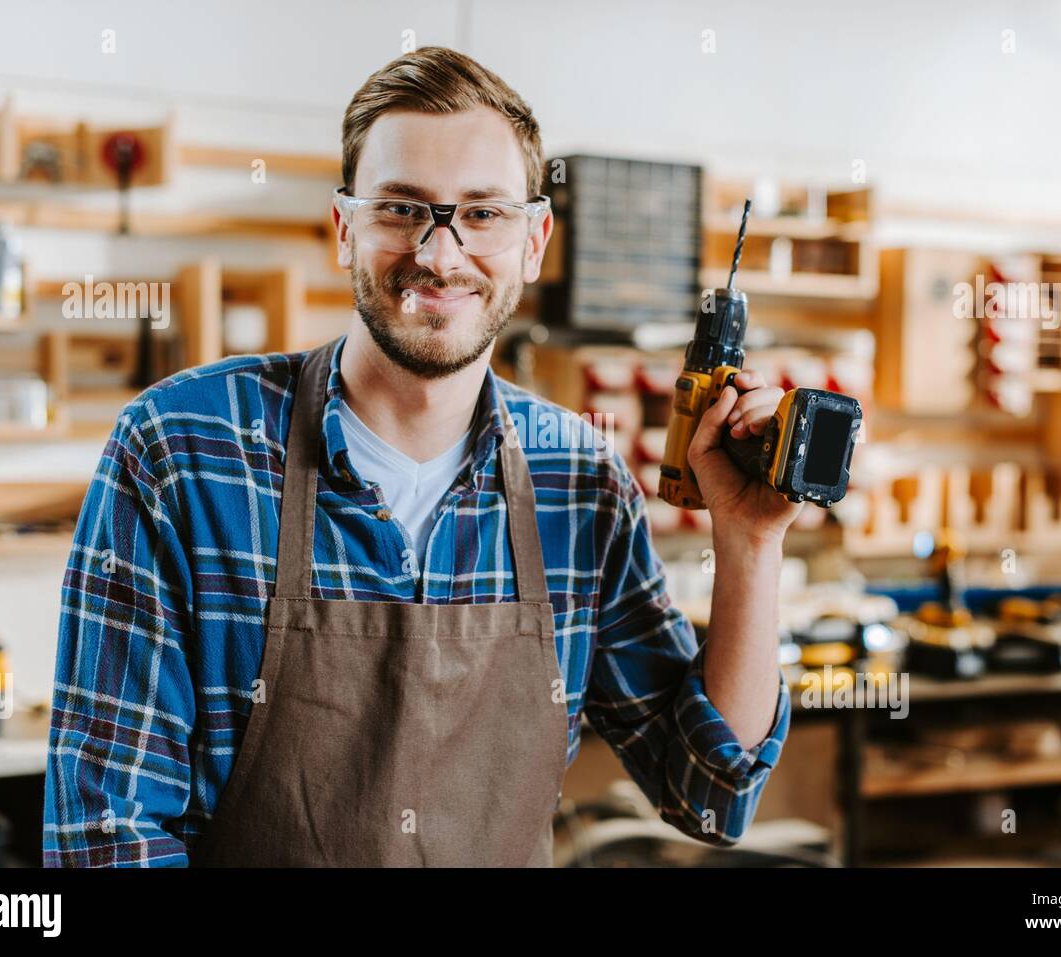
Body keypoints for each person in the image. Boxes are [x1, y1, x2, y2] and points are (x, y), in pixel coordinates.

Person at [44, 46, 801, 867]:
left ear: (535, 239)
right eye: (403, 209)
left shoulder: (579, 482)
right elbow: (106, 835)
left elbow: (711, 793)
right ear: (345, 227)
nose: (440, 255)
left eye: (482, 214)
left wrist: (750, 541)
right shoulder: (182, 452)